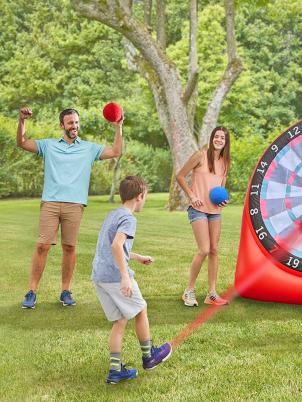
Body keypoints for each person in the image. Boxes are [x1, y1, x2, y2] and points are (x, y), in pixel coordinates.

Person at [17, 107, 122, 309]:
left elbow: (116, 151)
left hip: (75, 204)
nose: (74, 126)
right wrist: (22, 121)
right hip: (50, 202)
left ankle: (65, 291)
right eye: (70, 123)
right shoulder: (48, 146)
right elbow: (21, 142)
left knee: (70, 247)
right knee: (42, 246)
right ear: (62, 125)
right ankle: (31, 292)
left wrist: (119, 127)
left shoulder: (89, 148)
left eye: (76, 122)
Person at [92, 176, 172, 384]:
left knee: (120, 321)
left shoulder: (113, 214)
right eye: (145, 196)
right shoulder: (129, 218)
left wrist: (137, 257)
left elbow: (113, 246)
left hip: (100, 276)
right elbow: (117, 246)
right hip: (115, 277)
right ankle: (149, 356)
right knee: (141, 309)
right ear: (140, 196)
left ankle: (115, 371)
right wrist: (125, 277)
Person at [176, 126, 231, 307]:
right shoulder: (200, 155)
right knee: (204, 249)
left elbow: (220, 188)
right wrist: (192, 195)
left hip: (215, 211)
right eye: (216, 136)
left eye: (222, 138)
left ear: (226, 141)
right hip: (197, 209)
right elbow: (180, 176)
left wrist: (224, 200)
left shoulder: (225, 162)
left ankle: (212, 294)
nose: (219, 140)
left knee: (215, 250)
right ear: (212, 138)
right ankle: (189, 291)